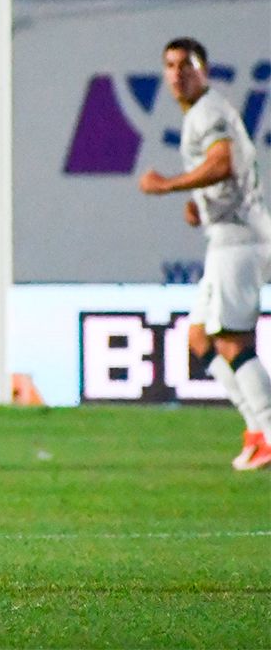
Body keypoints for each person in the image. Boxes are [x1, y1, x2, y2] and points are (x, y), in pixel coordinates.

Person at [139, 37, 271, 471]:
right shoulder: (203, 112)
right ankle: (257, 431)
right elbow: (226, 172)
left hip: (240, 240)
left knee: (232, 341)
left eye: (187, 65)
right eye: (170, 65)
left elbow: (222, 162)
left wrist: (169, 185)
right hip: (228, 237)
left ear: (205, 71)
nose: (178, 74)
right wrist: (201, 203)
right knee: (199, 338)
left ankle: (269, 432)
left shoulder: (208, 111)